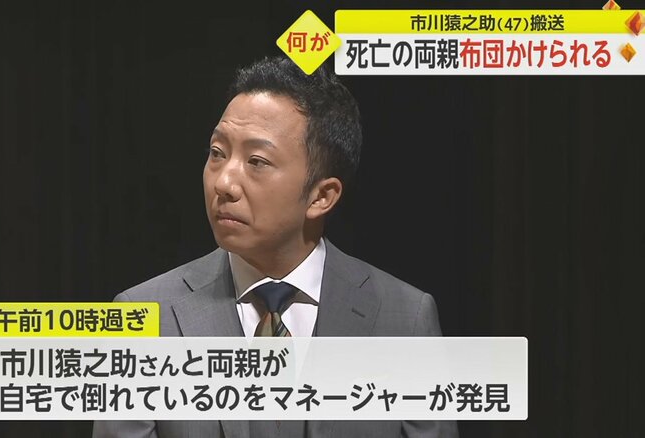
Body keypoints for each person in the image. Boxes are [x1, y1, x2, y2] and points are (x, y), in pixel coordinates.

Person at [93, 56, 458, 438]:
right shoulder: (144, 316)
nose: (224, 183)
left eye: (257, 161)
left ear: (322, 196)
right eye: (217, 153)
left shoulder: (404, 319)